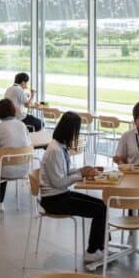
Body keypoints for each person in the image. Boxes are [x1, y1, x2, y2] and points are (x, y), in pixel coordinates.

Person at [38, 111, 107, 264]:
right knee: (101, 210)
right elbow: (59, 182)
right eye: (77, 131)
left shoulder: (59, 146)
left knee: (102, 205)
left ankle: (100, 247)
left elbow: (65, 172)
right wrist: (81, 175)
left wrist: (83, 170)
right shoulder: (55, 150)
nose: (77, 134)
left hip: (59, 195)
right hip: (54, 200)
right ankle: (92, 251)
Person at [0, 98, 32, 210]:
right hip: (25, 168)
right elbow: (28, 144)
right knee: (3, 165)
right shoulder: (22, 125)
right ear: (14, 110)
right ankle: (0, 203)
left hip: (6, 169)